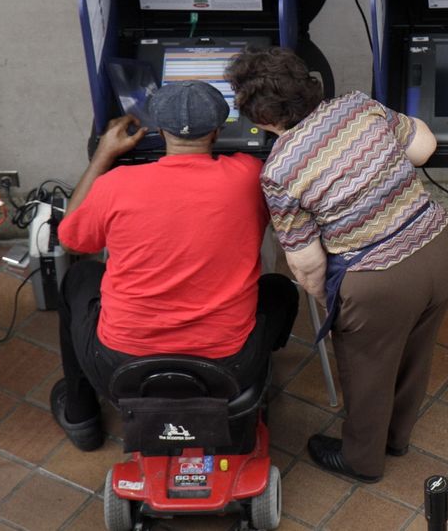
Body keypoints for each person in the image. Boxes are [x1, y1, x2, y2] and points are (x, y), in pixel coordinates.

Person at [226, 46, 448, 483]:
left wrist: (338, 303)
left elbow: (308, 263)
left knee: (367, 371)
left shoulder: (279, 171)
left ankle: (362, 460)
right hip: (439, 244)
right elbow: (423, 147)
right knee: (415, 351)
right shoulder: (358, 105)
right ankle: (398, 438)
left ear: (262, 120)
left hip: (378, 281)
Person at [52, 80, 298, 451]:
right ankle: (256, 380)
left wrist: (102, 156)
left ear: (158, 129)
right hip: (226, 366)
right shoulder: (249, 175)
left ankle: (81, 415)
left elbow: (71, 239)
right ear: (218, 130)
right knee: (280, 290)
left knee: (80, 277)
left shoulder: (117, 183)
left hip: (119, 366)